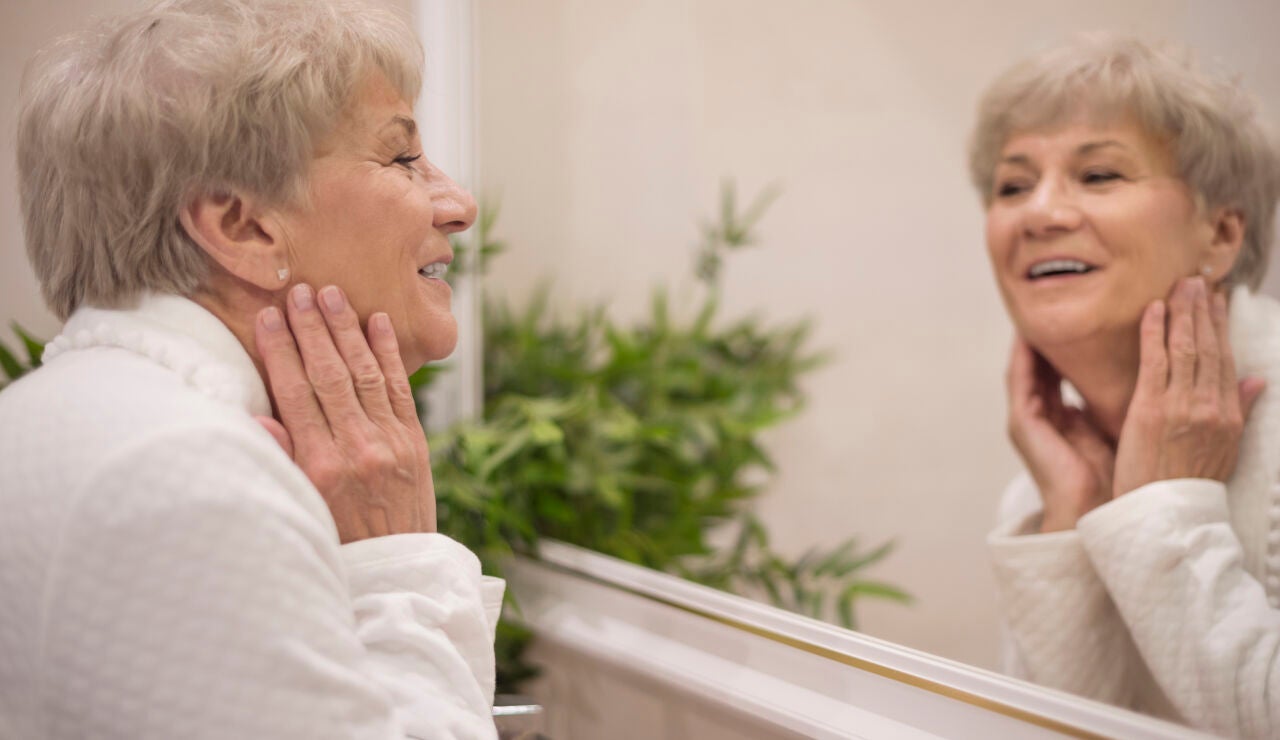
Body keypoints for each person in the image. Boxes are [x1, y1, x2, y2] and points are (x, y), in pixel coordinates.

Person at [0, 1, 504, 738]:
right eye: (401, 157)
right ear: (242, 225)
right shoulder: (189, 475)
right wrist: (399, 564)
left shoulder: (49, 416)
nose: (458, 205)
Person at [970, 33, 1280, 737]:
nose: (1040, 214)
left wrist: (1159, 507)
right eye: (1012, 185)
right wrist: (1071, 511)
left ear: (1222, 234)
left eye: (1099, 176)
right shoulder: (1043, 481)